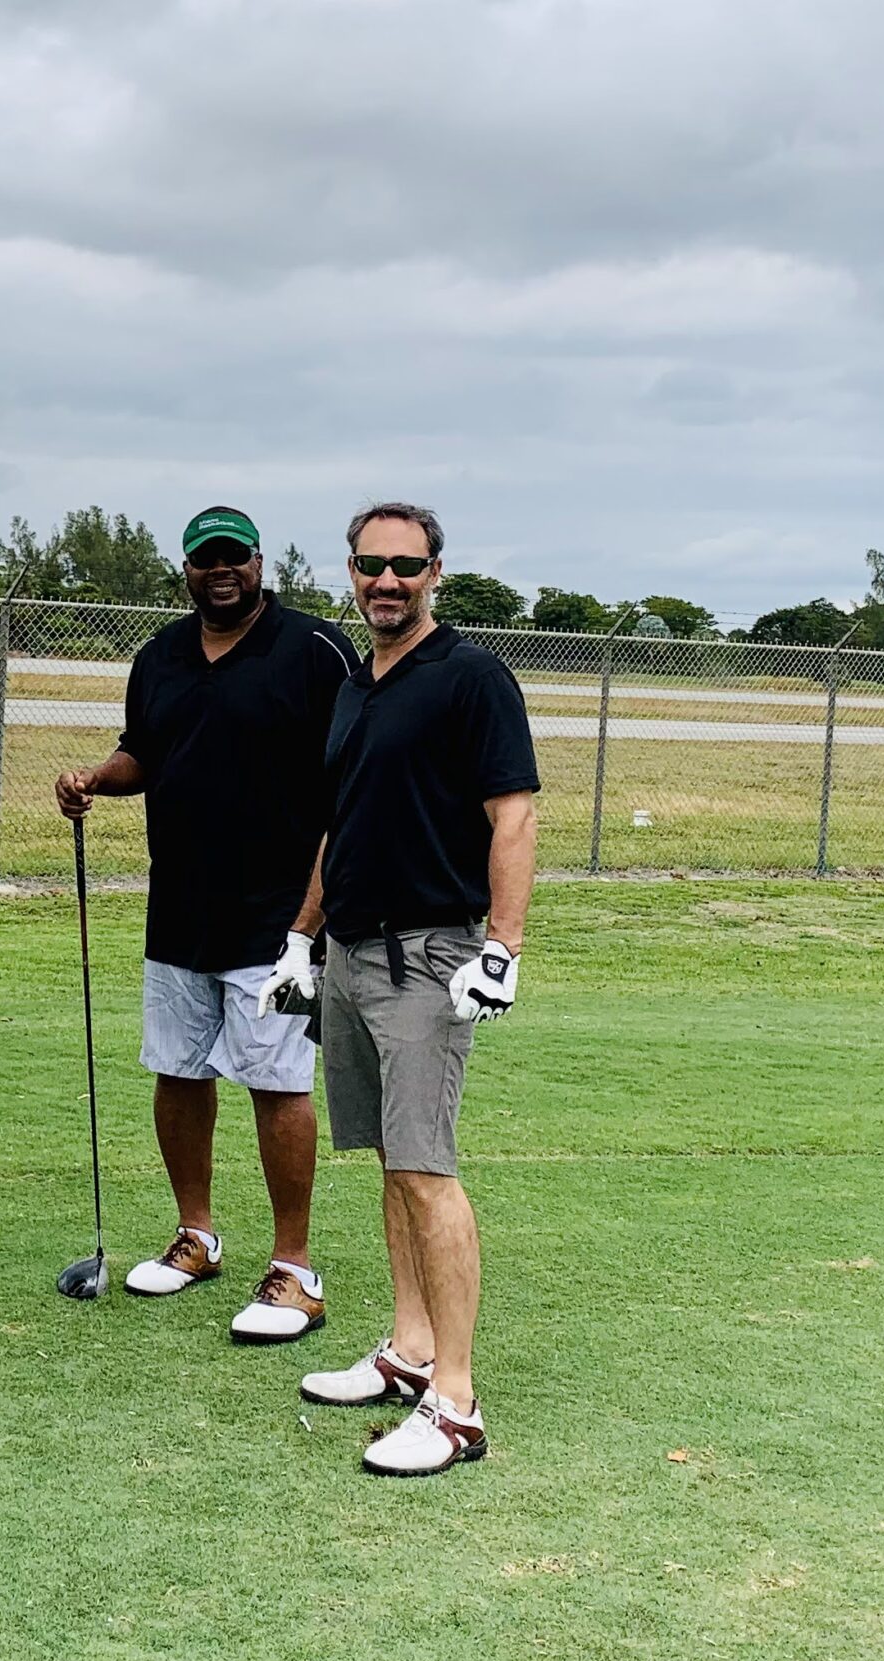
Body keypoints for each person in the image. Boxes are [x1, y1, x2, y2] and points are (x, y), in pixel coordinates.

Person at [54, 506, 358, 1343]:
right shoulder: (159, 656)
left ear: (260, 563)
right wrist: (96, 778)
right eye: (205, 559)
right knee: (178, 1070)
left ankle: (293, 1267)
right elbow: (146, 753)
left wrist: (313, 919)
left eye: (235, 557)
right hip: (181, 908)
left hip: (282, 917)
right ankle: (197, 1235)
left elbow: (349, 778)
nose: (221, 570)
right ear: (185, 569)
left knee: (277, 1080)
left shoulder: (316, 649)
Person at [290, 500, 538, 1476]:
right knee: (393, 1158)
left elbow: (512, 816)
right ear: (350, 572)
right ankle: (409, 1347)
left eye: (405, 565)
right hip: (351, 956)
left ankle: (456, 1401)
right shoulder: (357, 683)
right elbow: (341, 821)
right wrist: (301, 936)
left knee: (428, 1168)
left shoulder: (471, 677)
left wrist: (502, 946)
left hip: (429, 958)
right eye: (369, 564)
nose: (385, 581)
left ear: (436, 572)